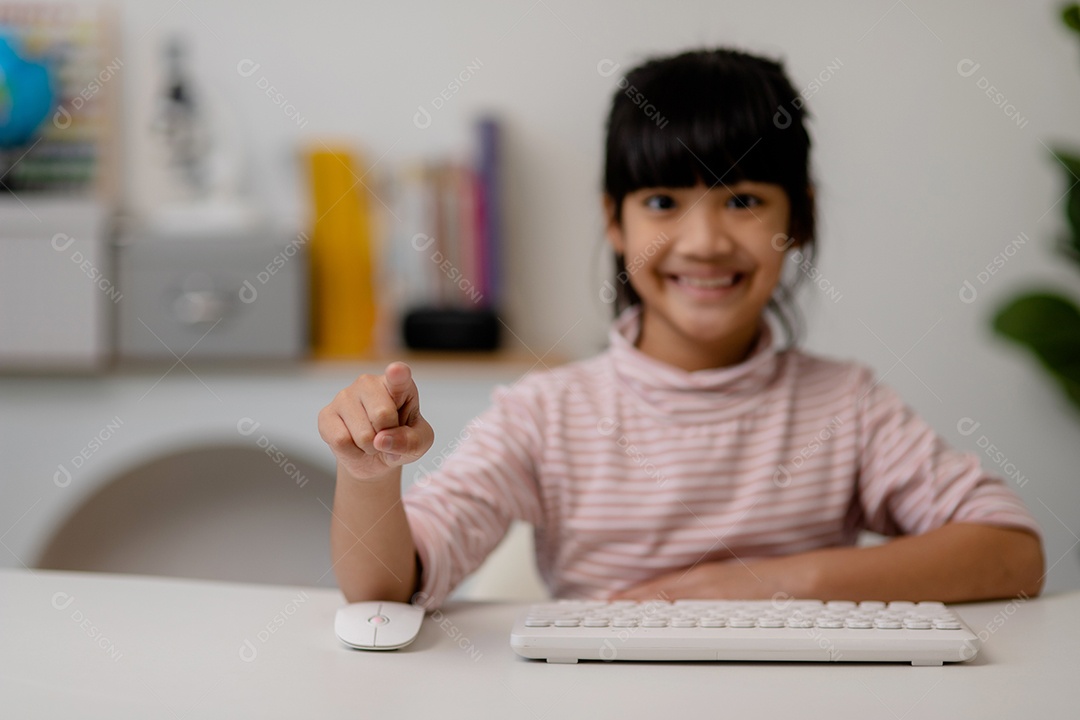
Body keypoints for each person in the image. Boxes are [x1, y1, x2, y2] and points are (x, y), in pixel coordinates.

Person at [319, 47, 1044, 609]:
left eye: (744, 200)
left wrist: (771, 583)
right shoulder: (546, 414)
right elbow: (385, 589)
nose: (703, 242)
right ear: (614, 220)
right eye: (664, 201)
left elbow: (1013, 553)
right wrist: (369, 478)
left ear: (800, 217)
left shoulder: (848, 407)